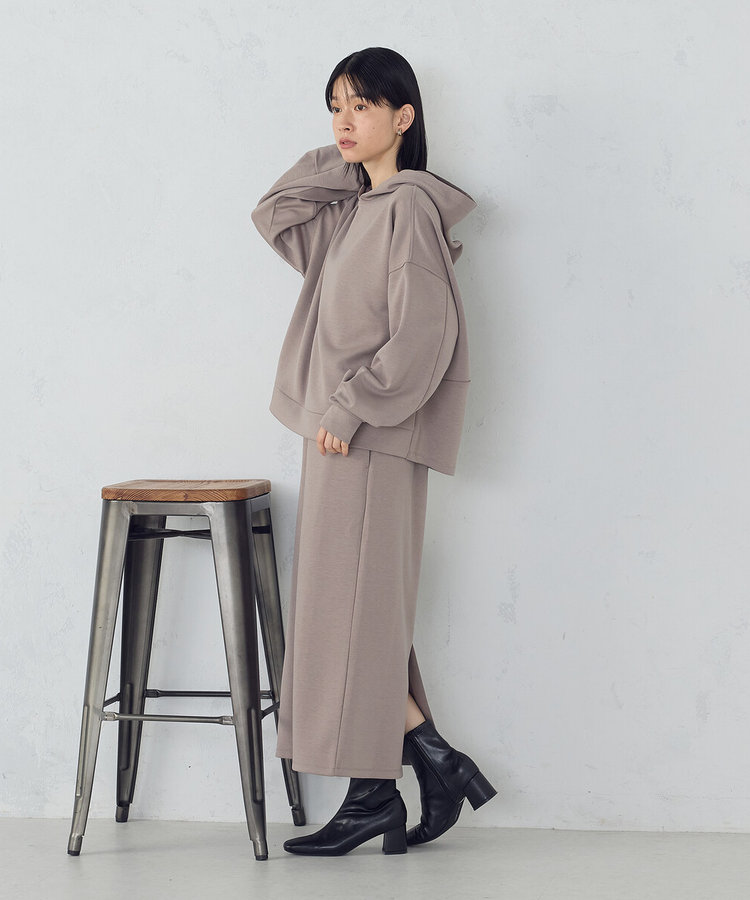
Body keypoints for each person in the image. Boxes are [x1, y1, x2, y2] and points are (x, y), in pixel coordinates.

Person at [250, 46, 496, 857]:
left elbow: (425, 332)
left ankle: (384, 791)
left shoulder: (408, 209)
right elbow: (276, 211)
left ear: (405, 115)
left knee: (351, 616)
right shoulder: (354, 211)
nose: (344, 121)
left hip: (369, 437)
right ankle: (424, 770)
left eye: (362, 105)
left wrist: (355, 405)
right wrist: (351, 158)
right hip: (338, 438)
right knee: (351, 616)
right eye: (335, 106)